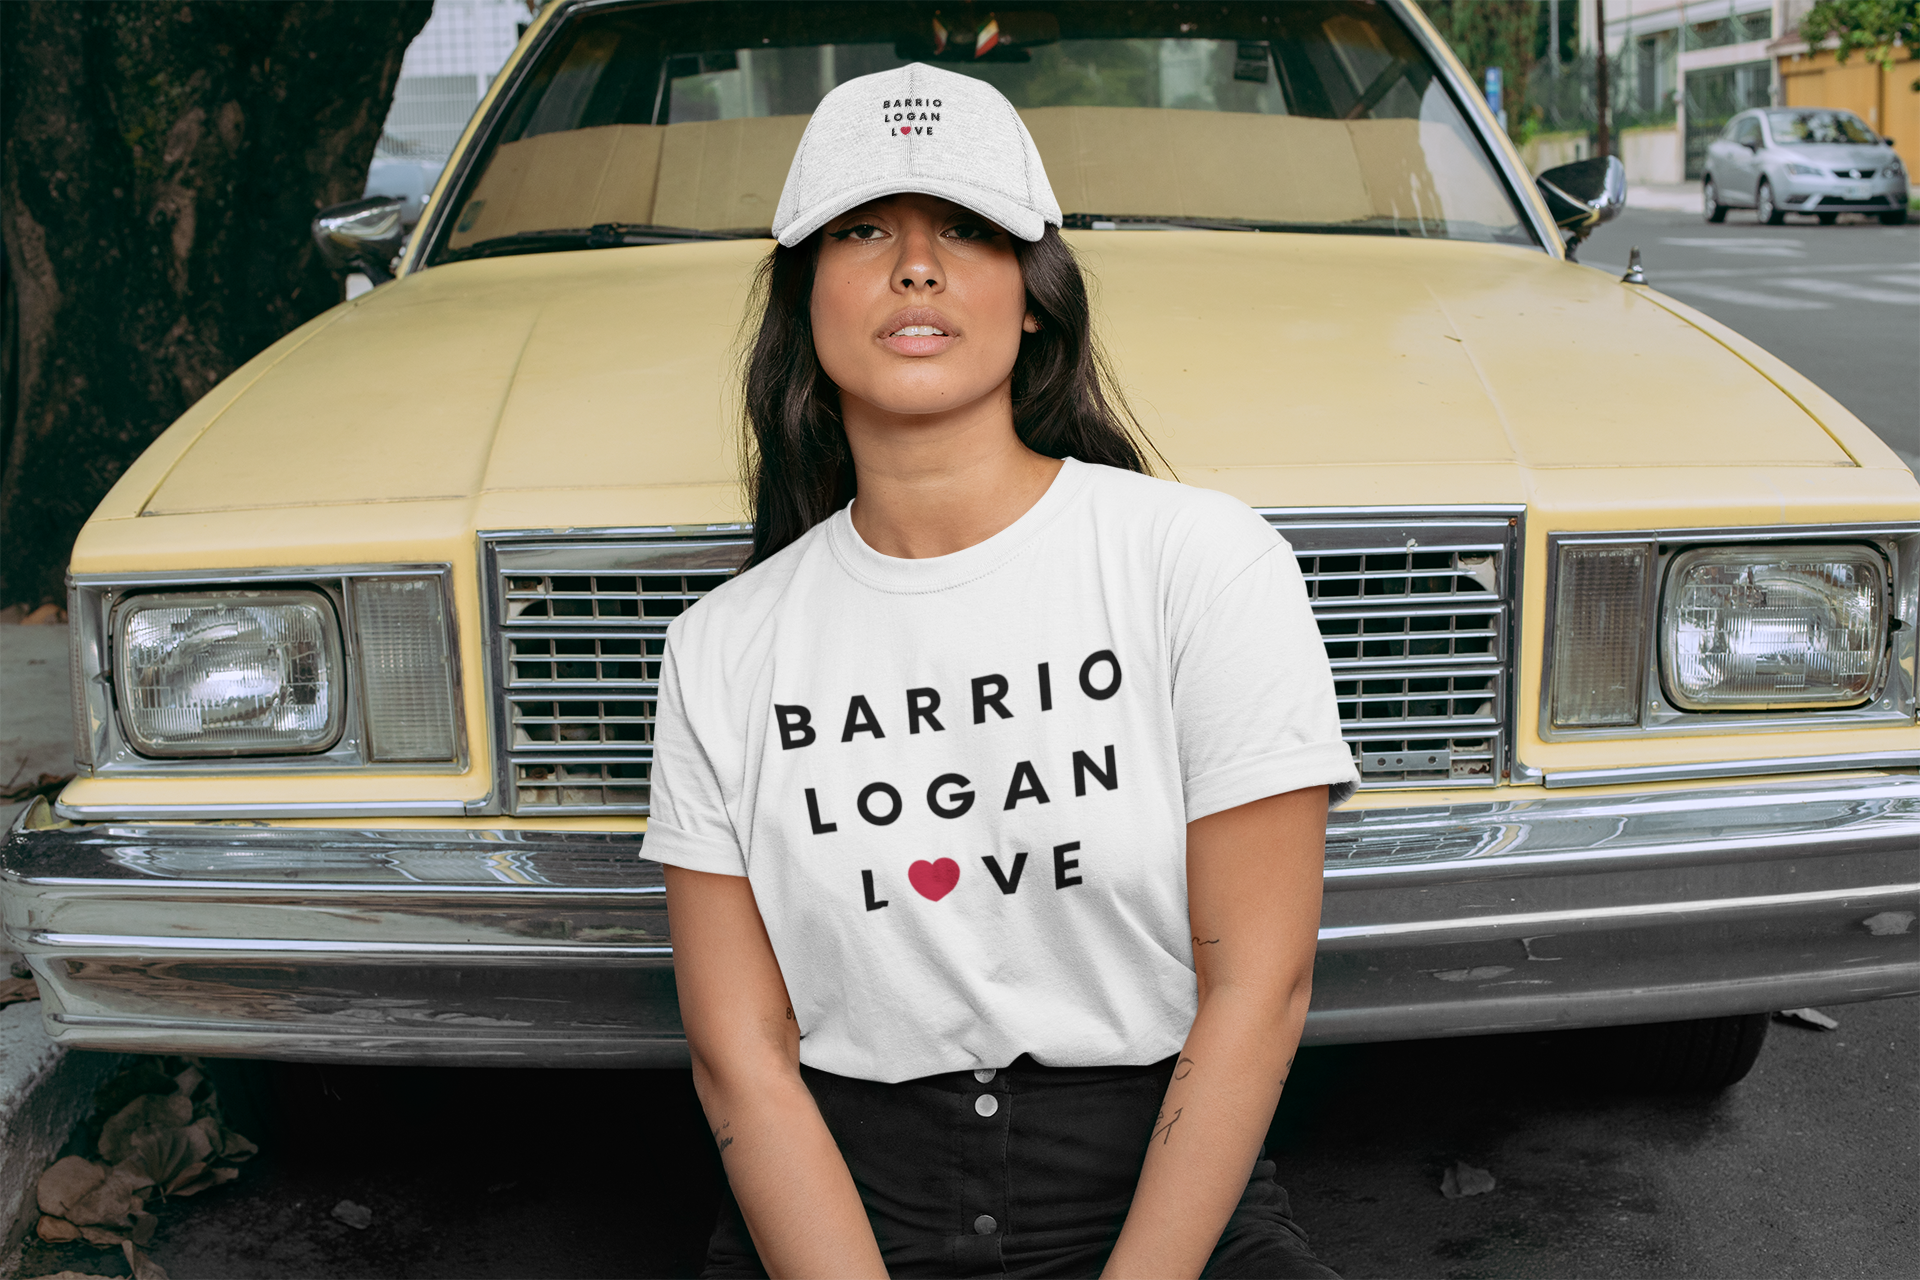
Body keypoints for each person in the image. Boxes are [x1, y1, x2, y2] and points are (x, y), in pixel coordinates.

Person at [644, 61, 1358, 1280]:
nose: (915, 264)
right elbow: (742, 1062)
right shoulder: (724, 644)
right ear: (806, 295)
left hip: (1157, 1198)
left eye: (967, 230)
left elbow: (1262, 987)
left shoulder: (1199, 560)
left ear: (1033, 296)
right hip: (840, 1209)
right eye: (864, 229)